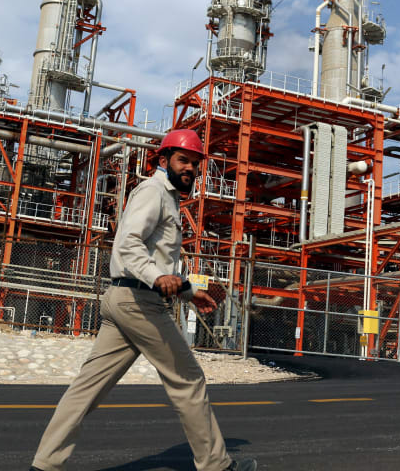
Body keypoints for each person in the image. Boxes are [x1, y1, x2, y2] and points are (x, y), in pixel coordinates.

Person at [30, 129, 256, 471]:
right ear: (163, 160)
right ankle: (216, 466)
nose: (190, 168)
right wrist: (157, 278)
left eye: (195, 163)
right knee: (188, 380)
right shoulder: (154, 191)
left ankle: (44, 465)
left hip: (125, 298)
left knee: (86, 389)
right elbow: (129, 244)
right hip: (140, 303)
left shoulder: (167, 197)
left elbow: (156, 261)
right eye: (183, 160)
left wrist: (189, 292)